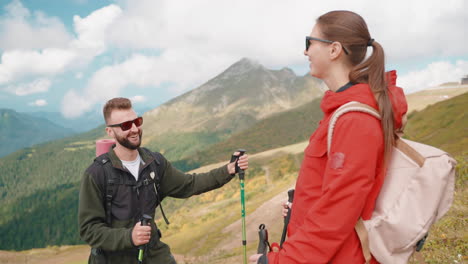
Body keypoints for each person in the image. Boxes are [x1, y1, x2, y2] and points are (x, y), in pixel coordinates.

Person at [250, 10, 408, 264]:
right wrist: (300, 209)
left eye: (309, 43)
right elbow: (336, 191)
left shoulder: (355, 119)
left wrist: (279, 261)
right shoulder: (343, 111)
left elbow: (339, 209)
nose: (305, 52)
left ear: (334, 50)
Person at [79, 97, 249, 263]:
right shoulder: (96, 174)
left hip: (153, 254)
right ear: (110, 131)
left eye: (136, 122)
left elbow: (190, 185)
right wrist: (129, 236)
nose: (134, 129)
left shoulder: (155, 163)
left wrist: (228, 170)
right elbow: (89, 230)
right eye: (125, 125)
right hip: (112, 258)